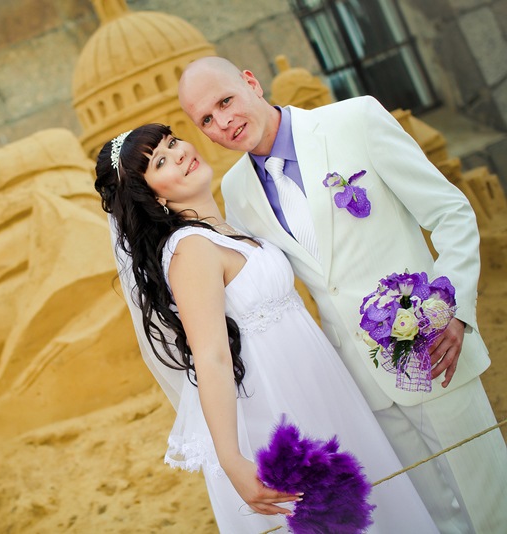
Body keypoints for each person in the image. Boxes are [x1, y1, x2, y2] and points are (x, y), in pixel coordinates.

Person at [177, 56, 507, 533]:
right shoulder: (236, 191)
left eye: (225, 101)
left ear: (251, 82)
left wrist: (450, 311)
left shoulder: (355, 120)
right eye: (206, 119)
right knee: (433, 519)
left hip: (435, 352)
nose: (223, 122)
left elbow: (451, 213)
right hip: (357, 385)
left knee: (492, 506)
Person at [95, 123, 437, 532]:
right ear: (153, 196)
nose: (180, 152)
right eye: (161, 162)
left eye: (172, 142)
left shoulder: (226, 229)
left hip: (316, 384)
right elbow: (211, 355)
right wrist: (232, 460)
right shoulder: (191, 249)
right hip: (273, 403)